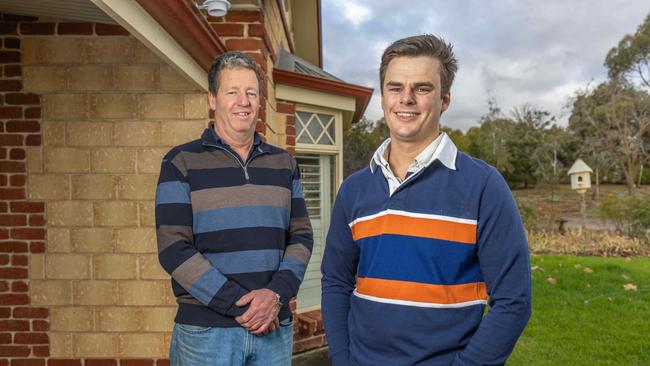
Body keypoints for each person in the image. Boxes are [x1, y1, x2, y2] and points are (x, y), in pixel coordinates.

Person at [321, 34, 532, 365]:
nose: (406, 99)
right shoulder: (354, 190)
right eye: (395, 87)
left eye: (422, 88)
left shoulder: (484, 186)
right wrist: (342, 358)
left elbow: (514, 300)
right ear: (383, 96)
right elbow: (335, 281)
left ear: (445, 99)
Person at [155, 51, 313, 365]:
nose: (243, 101)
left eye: (251, 93)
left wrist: (275, 296)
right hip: (206, 335)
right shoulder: (180, 162)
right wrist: (243, 307)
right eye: (232, 92)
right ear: (213, 99)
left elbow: (301, 237)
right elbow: (174, 248)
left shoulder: (284, 164)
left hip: (273, 330)